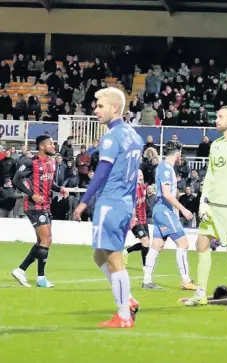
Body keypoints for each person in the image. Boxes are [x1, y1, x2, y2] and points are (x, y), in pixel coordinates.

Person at [73, 87, 141, 328]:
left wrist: (83, 202)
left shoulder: (111, 137)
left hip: (110, 202)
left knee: (113, 257)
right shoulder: (135, 137)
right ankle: (127, 299)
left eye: (100, 106)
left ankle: (123, 315)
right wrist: (132, 208)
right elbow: (134, 178)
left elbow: (101, 173)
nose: (96, 109)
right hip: (123, 203)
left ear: (115, 108)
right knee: (99, 254)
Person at [182, 106, 227, 310]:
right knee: (201, 245)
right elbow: (211, 176)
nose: (216, 120)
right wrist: (203, 200)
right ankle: (200, 294)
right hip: (212, 207)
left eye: (220, 116)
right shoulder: (215, 145)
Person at [11, 135, 69, 288]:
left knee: (41, 241)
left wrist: (59, 189)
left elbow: (50, 183)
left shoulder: (51, 162)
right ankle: (41, 278)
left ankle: (20, 270)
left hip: (45, 205)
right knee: (47, 239)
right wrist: (32, 195)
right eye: (50, 144)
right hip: (33, 206)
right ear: (42, 146)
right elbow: (16, 179)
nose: (53, 146)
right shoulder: (31, 162)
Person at [141, 146, 196, 290]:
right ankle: (186, 281)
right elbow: (166, 193)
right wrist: (183, 209)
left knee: (157, 246)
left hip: (162, 211)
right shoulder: (166, 169)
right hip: (164, 210)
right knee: (183, 244)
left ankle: (147, 281)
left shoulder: (164, 167)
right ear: (177, 155)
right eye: (181, 155)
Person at [123, 170, 150, 267]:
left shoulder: (144, 187)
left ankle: (125, 251)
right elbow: (132, 206)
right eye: (138, 175)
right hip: (135, 220)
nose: (141, 177)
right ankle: (146, 267)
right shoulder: (132, 190)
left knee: (146, 243)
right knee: (145, 241)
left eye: (142, 175)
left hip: (143, 219)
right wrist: (133, 218)